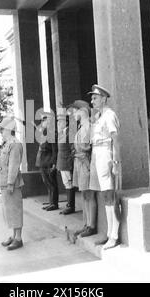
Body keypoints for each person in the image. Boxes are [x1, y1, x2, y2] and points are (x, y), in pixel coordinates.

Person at [88, 84, 121, 250]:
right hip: (97, 153)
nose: (92, 101)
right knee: (105, 196)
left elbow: (115, 140)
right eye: (92, 98)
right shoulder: (99, 116)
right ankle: (109, 234)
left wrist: (116, 162)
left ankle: (114, 236)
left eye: (95, 98)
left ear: (103, 98)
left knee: (110, 195)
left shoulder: (109, 115)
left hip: (106, 154)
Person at [69, 100, 97, 238]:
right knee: (84, 195)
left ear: (83, 111)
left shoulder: (88, 127)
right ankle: (86, 224)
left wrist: (88, 165)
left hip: (86, 163)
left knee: (89, 195)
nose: (73, 114)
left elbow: (88, 148)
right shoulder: (82, 127)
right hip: (80, 163)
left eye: (75, 111)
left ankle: (91, 225)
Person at [0, 116, 25, 251]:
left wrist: (10, 183)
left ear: (9, 130)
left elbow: (14, 165)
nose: (1, 132)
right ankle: (14, 235)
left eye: (2, 129)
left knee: (15, 209)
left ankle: (18, 238)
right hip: (5, 182)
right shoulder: (8, 143)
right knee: (9, 210)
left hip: (12, 183)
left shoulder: (14, 144)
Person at [35, 112, 59, 211]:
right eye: (43, 121)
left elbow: (55, 150)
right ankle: (51, 202)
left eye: (45, 120)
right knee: (47, 183)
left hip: (48, 162)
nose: (43, 122)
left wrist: (54, 163)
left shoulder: (51, 133)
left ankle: (54, 204)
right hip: (42, 161)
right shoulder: (44, 132)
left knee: (51, 183)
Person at [56, 111, 76, 215]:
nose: (58, 123)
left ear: (66, 122)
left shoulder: (70, 133)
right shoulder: (62, 133)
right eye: (58, 121)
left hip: (67, 163)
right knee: (66, 184)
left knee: (69, 184)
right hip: (62, 163)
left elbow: (73, 149)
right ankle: (69, 205)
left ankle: (70, 206)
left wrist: (70, 163)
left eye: (60, 121)